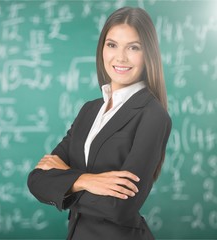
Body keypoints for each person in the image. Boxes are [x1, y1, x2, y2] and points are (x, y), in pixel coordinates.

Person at [27, 6, 172, 240]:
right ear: (102, 49)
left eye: (133, 47)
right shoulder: (89, 110)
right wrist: (87, 180)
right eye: (112, 45)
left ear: (149, 55)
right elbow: (37, 179)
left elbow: (120, 205)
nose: (120, 57)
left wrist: (66, 178)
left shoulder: (153, 115)